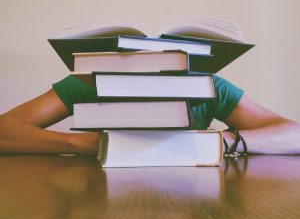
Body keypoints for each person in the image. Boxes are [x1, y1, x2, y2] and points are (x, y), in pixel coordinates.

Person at [0, 74, 299, 155]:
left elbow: (293, 134)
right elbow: (5, 131)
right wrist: (81, 145)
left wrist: (222, 143)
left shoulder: (206, 86)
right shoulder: (90, 83)